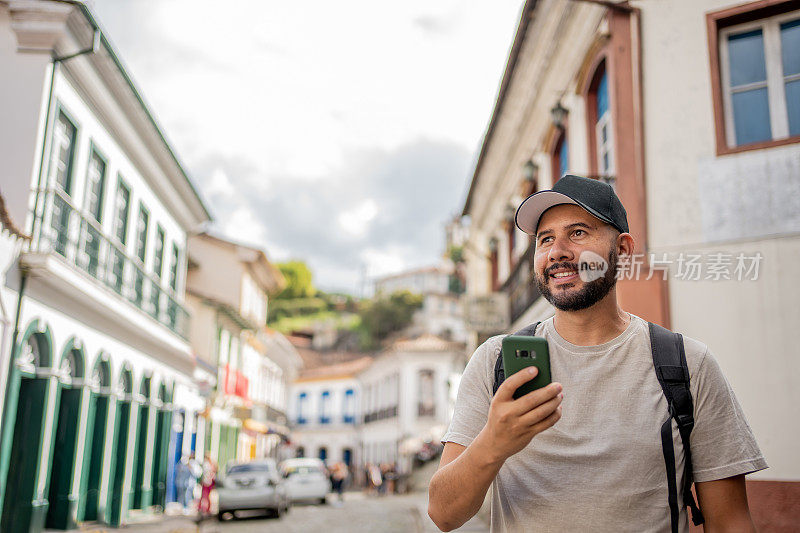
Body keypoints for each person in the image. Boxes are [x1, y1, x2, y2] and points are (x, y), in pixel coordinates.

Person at [428, 175, 767, 532]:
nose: (557, 251)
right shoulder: (493, 362)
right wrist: (492, 444)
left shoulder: (687, 364)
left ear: (622, 249)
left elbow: (730, 521)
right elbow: (443, 513)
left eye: (577, 233)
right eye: (545, 239)